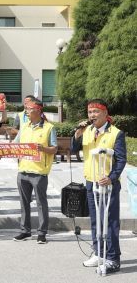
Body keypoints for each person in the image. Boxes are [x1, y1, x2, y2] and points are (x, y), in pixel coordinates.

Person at [72, 99, 127, 274]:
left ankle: (112, 258)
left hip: (108, 185)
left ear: (105, 113)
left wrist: (112, 177)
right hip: (91, 182)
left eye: (95, 112)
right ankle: (98, 253)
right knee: (96, 221)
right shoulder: (87, 130)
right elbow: (74, 149)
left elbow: (121, 159)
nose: (92, 115)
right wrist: (77, 134)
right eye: (89, 112)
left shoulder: (116, 133)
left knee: (109, 222)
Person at [12, 99, 57, 244]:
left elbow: (54, 149)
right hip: (23, 170)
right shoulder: (24, 126)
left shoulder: (49, 128)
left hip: (39, 172)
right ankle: (25, 231)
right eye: (26, 109)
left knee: (40, 203)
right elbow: (15, 144)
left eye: (29, 109)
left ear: (38, 110)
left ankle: (42, 233)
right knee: (23, 202)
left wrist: (43, 149)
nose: (26, 111)